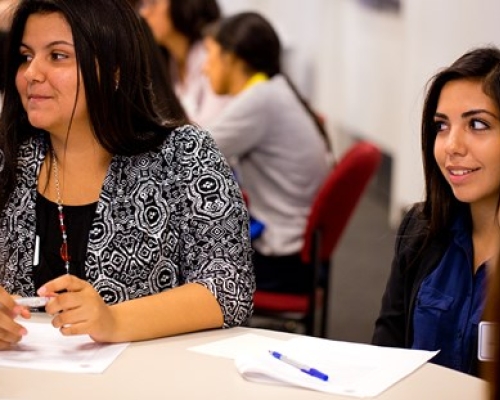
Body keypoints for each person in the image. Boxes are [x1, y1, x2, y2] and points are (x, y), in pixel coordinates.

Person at [0, 0, 254, 349]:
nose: (31, 73)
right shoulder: (10, 158)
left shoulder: (182, 154)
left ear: (114, 70)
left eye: (57, 56)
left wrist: (115, 320)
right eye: (26, 56)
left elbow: (229, 285)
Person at [372, 46, 500, 376]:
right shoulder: (421, 229)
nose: (452, 146)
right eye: (442, 126)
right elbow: (386, 354)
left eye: (478, 124)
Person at [203, 12, 331, 294]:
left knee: (178, 260)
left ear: (232, 58)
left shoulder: (260, 99)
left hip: (282, 260)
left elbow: (191, 151)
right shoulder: (273, 90)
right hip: (298, 253)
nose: (204, 68)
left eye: (210, 55)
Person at [138, 0, 229, 126]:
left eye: (152, 3)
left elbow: (213, 130)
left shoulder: (211, 56)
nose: (143, 13)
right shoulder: (168, 61)